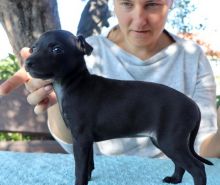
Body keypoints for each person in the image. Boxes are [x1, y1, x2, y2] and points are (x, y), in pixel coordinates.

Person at [0, 0, 219, 157]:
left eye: (152, 4)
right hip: (108, 174)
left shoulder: (193, 57)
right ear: (112, 3)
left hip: (167, 172)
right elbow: (74, 141)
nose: (139, 19)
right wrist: (55, 90)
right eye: (126, 3)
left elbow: (202, 145)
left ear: (170, 3)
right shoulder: (81, 53)